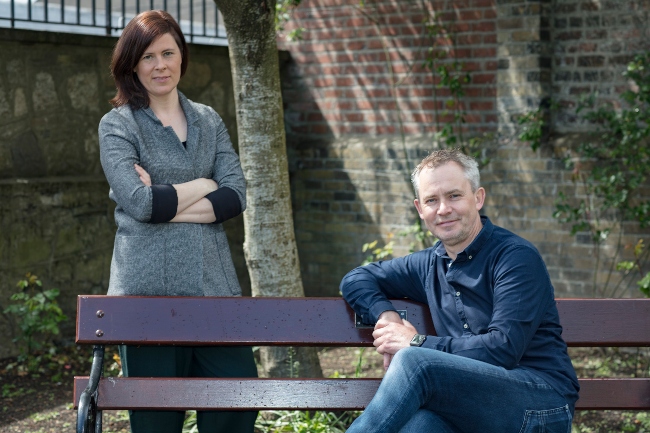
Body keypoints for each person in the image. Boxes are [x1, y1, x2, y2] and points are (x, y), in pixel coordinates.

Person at [341, 149, 579, 433]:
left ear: (478, 198)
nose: (443, 209)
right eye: (432, 200)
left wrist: (414, 342)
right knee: (419, 426)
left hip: (540, 405)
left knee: (414, 361)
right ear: (420, 209)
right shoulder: (430, 264)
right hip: (471, 407)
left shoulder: (515, 257)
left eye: (454, 196)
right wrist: (386, 316)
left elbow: (502, 348)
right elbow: (356, 279)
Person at [98, 10, 257, 433]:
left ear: (182, 57)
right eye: (148, 56)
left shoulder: (208, 119)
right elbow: (140, 203)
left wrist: (165, 199)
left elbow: (235, 196)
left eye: (168, 53)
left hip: (214, 290)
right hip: (146, 295)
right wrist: (204, 183)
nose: (160, 65)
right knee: (156, 421)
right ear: (132, 64)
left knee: (238, 401)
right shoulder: (117, 125)